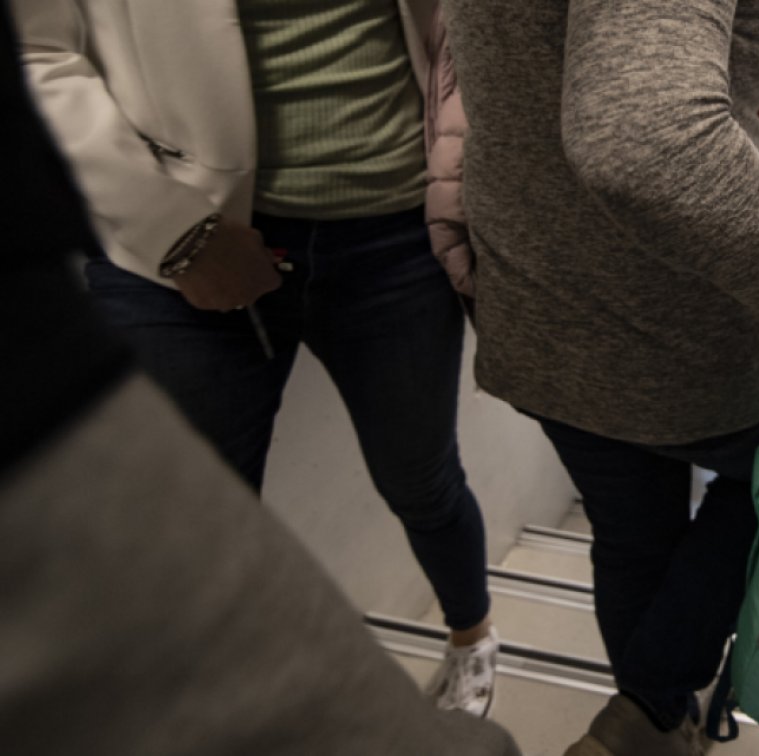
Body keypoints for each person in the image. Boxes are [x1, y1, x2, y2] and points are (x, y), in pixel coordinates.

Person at [0, 4, 519, 749]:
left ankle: (472, 634)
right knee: (185, 530)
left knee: (420, 479)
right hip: (172, 236)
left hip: (394, 237)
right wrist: (174, 233)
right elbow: (35, 56)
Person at [442, 1, 759, 753]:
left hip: (545, 312)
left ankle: (657, 722)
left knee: (631, 538)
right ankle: (649, 707)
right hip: (682, 333)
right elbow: (645, 137)